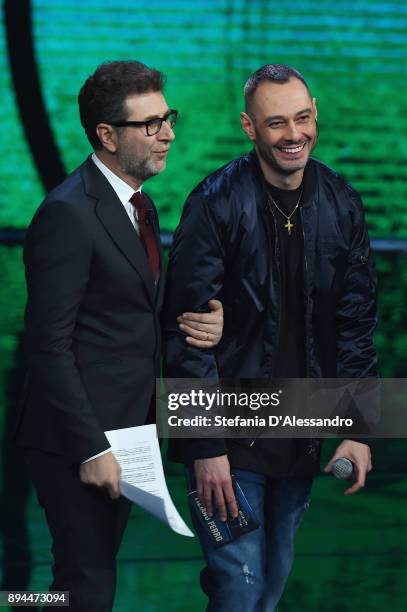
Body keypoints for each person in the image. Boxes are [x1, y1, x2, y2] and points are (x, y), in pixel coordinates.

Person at [163, 64, 377, 611]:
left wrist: (359, 431)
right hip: (229, 440)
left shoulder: (342, 202)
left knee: (268, 589)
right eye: (276, 122)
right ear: (249, 127)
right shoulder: (212, 203)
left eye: (302, 118)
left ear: (316, 114)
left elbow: (355, 324)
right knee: (240, 586)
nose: (294, 134)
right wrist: (205, 447)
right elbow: (183, 333)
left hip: (301, 429)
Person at [14, 60, 224, 611]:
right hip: (78, 441)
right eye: (151, 124)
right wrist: (91, 447)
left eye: (168, 117)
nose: (169, 134)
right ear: (107, 135)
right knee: (86, 585)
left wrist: (206, 322)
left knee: (87, 580)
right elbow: (47, 345)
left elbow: (130, 313)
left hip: (129, 434)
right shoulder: (68, 214)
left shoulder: (139, 203)